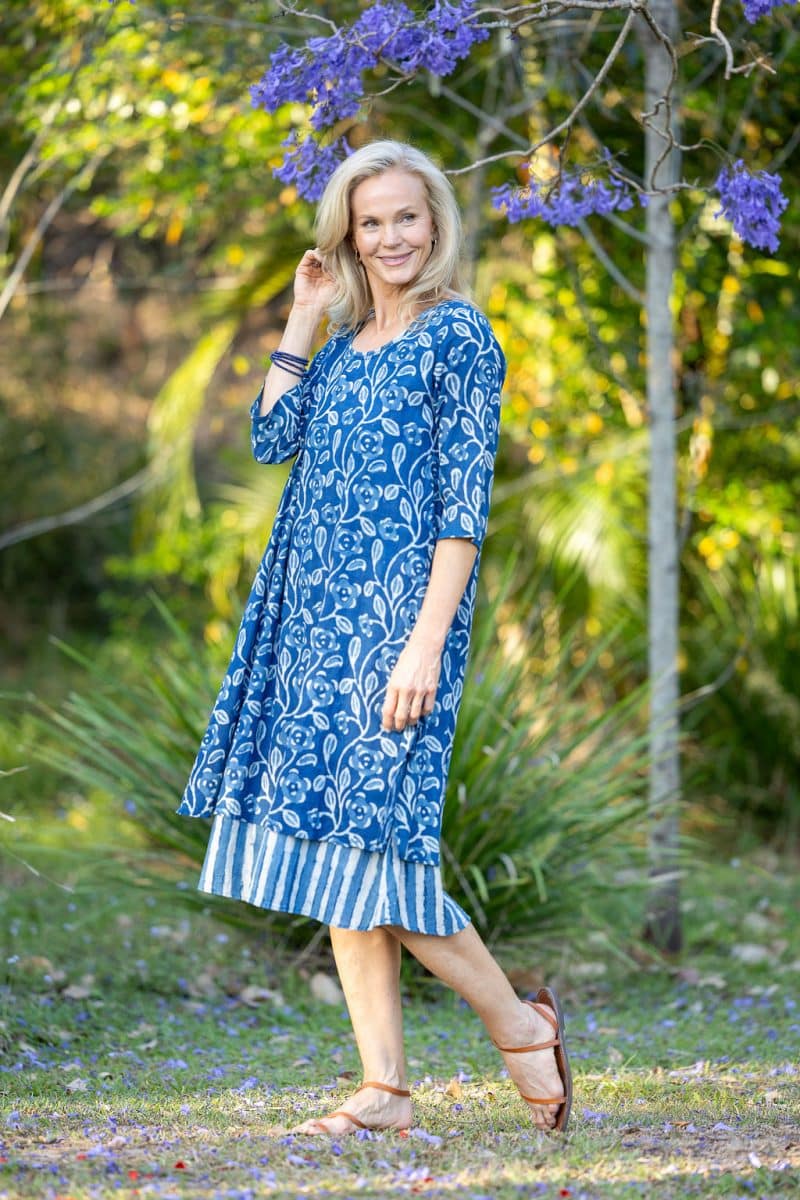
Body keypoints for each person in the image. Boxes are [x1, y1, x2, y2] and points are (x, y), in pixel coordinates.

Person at [176, 140, 572, 1136]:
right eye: (370, 222)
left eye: (406, 217)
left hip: (397, 629)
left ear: (434, 224)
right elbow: (272, 438)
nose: (390, 236)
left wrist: (424, 643)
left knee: (383, 853)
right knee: (333, 852)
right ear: (346, 237)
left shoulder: (459, 337)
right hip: (309, 626)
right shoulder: (345, 337)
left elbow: (461, 506)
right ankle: (384, 1091)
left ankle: (516, 1024)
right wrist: (301, 320)